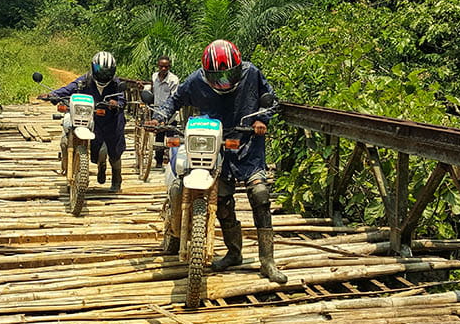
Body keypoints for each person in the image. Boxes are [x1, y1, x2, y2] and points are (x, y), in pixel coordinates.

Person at [149, 40, 287, 283]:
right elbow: (174, 99)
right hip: (214, 147)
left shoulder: (251, 73)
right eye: (217, 76)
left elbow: (271, 99)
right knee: (221, 200)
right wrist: (159, 117)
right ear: (206, 72)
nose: (223, 81)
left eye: (228, 75)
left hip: (247, 144)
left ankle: (268, 261)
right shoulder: (195, 81)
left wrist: (262, 119)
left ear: (237, 67)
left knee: (260, 195)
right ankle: (234, 253)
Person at [42, 51, 127, 192]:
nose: (104, 74)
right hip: (92, 119)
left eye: (107, 71)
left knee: (114, 151)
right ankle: (97, 165)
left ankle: (117, 178)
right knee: (96, 148)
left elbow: (122, 100)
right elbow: (68, 89)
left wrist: (116, 103)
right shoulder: (85, 81)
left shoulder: (116, 84)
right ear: (93, 68)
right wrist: (52, 95)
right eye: (100, 70)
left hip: (112, 120)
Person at [150, 56, 180, 167]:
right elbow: (152, 90)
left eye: (166, 67)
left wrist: (168, 110)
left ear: (169, 67)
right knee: (159, 136)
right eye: (161, 66)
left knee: (170, 136)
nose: (163, 69)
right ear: (158, 66)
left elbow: (175, 97)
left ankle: (172, 161)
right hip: (156, 110)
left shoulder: (173, 80)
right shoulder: (154, 77)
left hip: (170, 112)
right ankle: (158, 161)